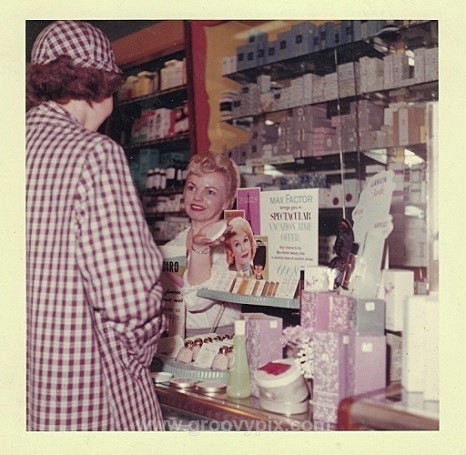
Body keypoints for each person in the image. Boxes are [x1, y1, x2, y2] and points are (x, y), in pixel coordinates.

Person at [26, 21, 166, 431]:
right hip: (89, 395)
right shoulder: (94, 154)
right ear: (101, 82)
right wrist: (136, 358)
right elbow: (131, 300)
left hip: (30, 391)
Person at [165, 152, 242, 337]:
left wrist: (200, 249)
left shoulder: (233, 248)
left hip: (217, 346)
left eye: (210, 192)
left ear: (227, 202)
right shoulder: (173, 244)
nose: (197, 197)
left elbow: (196, 300)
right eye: (192, 187)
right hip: (173, 344)